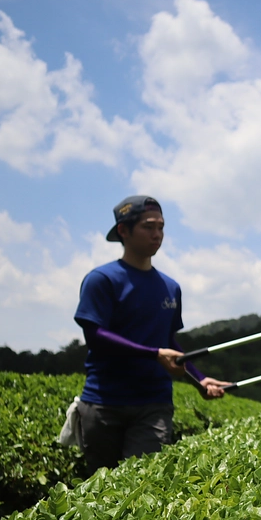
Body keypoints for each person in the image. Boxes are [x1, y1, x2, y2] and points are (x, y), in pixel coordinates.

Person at [73, 195, 228, 475]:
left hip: (154, 404)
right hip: (103, 402)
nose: (157, 234)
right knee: (100, 488)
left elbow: (167, 342)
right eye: (148, 227)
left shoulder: (170, 287)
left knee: (142, 482)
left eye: (161, 227)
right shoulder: (102, 280)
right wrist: (153, 354)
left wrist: (199, 379)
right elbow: (96, 335)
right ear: (123, 230)